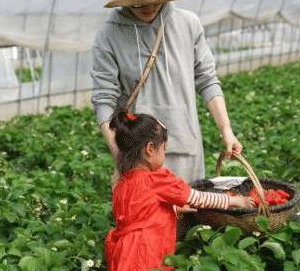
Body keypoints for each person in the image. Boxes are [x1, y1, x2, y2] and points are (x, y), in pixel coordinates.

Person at [91, 0, 243, 187]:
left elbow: (207, 79)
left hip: (185, 141)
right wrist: (119, 154)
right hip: (138, 153)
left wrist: (226, 129)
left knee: (189, 212)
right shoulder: (109, 35)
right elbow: (103, 99)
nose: (149, 6)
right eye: (140, 3)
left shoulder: (187, 23)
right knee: (148, 220)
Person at [104, 109, 254, 271]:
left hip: (125, 253)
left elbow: (141, 212)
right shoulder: (155, 180)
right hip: (146, 253)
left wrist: (174, 208)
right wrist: (233, 201)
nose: (164, 154)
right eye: (164, 149)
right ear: (150, 149)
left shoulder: (123, 182)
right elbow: (197, 198)